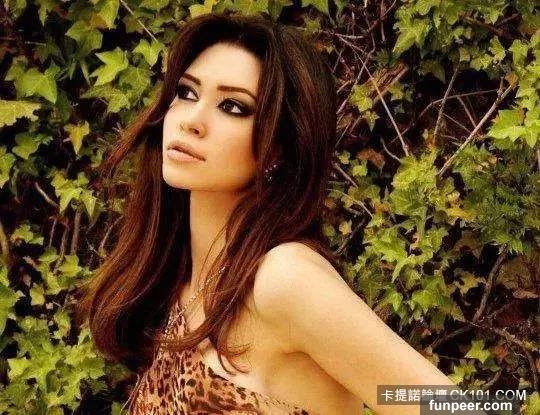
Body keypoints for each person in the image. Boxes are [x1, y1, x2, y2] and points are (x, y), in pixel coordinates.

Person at [76, 11, 459, 415]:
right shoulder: (186, 282)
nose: (192, 121)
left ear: (278, 149)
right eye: (187, 93)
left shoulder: (282, 281)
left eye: (232, 106)